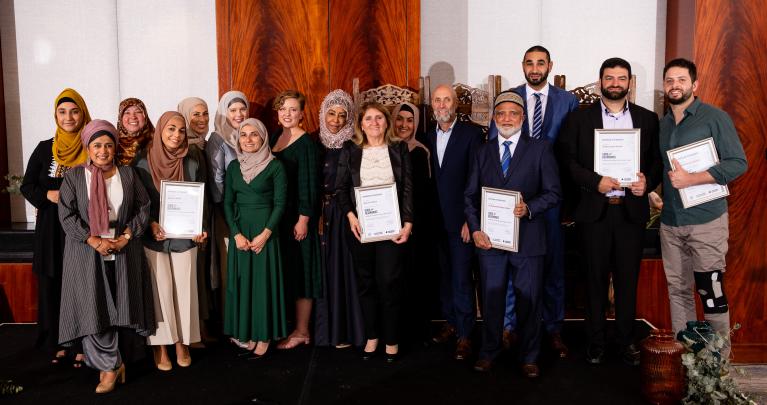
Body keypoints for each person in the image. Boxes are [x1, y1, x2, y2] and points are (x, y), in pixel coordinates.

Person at [557, 57, 662, 366]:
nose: (615, 83)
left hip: (630, 212)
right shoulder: (579, 118)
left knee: (628, 281)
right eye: (609, 78)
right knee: (594, 281)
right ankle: (596, 342)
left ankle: (627, 341)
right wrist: (595, 181)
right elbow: (567, 160)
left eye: (621, 78)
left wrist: (648, 182)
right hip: (595, 212)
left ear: (629, 83)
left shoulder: (648, 118)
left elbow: (656, 161)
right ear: (600, 81)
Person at [465, 91, 561, 376]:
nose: (507, 118)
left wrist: (529, 208)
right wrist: (475, 229)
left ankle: (529, 356)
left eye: (513, 113)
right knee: (492, 298)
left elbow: (554, 193)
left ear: (522, 118)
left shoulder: (540, 149)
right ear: (495, 119)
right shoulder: (482, 152)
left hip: (529, 239)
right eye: (501, 113)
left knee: (529, 300)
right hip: (490, 241)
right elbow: (469, 196)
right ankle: (489, 351)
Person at [57, 119, 156, 393]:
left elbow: (143, 208)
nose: (102, 151)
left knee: (122, 306)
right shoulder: (75, 176)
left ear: (115, 148)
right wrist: (93, 240)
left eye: (108, 145)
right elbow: (66, 215)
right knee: (93, 307)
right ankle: (108, 367)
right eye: (97, 145)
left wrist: (125, 237)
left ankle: (118, 362)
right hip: (87, 251)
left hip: (123, 249)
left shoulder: (128, 174)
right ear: (88, 148)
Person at [658, 58, 747, 359]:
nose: (674, 85)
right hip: (671, 223)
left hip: (706, 221)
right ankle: (688, 365)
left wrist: (692, 179)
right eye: (669, 80)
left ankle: (718, 369)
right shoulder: (664, 123)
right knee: (679, 293)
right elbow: (667, 173)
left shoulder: (714, 118)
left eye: (681, 80)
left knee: (711, 294)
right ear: (664, 85)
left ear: (694, 85)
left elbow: (738, 163)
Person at [495, 45, 579, 356]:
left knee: (553, 263)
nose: (534, 68)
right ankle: (509, 326)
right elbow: (495, 143)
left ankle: (553, 328)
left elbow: (572, 150)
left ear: (550, 65)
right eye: (529, 63)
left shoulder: (567, 101)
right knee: (513, 262)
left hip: (553, 196)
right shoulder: (509, 98)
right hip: (514, 195)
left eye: (540, 63)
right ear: (522, 66)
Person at [336, 101, 413, 362]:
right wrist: (350, 216)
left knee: (389, 283)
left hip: (392, 229)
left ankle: (391, 339)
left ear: (386, 122)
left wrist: (408, 223)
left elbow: (408, 189)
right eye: (368, 118)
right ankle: (372, 336)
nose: (374, 123)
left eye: (379, 118)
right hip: (361, 228)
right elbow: (341, 188)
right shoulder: (350, 149)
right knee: (366, 283)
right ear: (360, 124)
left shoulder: (399, 148)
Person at [133, 111, 208, 370]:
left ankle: (183, 343)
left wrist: (200, 228)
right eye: (170, 129)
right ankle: (161, 347)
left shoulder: (192, 159)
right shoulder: (142, 162)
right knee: (159, 291)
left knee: (185, 291)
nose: (176, 135)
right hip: (154, 237)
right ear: (160, 131)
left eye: (181, 130)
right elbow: (138, 202)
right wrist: (150, 224)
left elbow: (201, 199)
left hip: (185, 238)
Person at [20, 88, 89, 367]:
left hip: (82, 228)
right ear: (56, 115)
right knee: (53, 282)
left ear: (82, 112)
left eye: (74, 111)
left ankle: (85, 341)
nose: (68, 117)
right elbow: (27, 185)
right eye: (63, 112)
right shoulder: (44, 147)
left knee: (82, 284)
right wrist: (46, 196)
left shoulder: (92, 144)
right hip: (50, 228)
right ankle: (57, 341)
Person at [223, 118, 288, 359]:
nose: (248, 139)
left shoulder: (275, 167)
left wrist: (265, 234)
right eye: (243, 135)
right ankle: (248, 333)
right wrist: (236, 233)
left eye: (254, 135)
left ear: (263, 138)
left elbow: (281, 204)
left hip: (265, 232)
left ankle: (264, 336)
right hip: (241, 233)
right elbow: (228, 203)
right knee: (244, 283)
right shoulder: (233, 168)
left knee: (263, 284)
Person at [427, 84, 483, 360]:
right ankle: (450, 322)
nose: (441, 105)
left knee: (462, 279)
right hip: (435, 223)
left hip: (460, 222)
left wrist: (469, 221)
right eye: (436, 100)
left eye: (446, 100)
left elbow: (477, 179)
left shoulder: (471, 135)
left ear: (456, 104)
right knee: (444, 277)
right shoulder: (426, 136)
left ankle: (465, 334)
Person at [269, 90, 322, 350]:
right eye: (283, 109)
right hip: (279, 217)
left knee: (303, 273)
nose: (287, 114)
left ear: (302, 114)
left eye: (292, 109)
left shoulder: (306, 144)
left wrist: (303, 219)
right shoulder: (275, 138)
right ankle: (290, 327)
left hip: (298, 219)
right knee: (288, 272)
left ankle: (302, 331)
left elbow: (309, 186)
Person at [313, 89, 365, 348]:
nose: (335, 120)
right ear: (323, 114)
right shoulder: (314, 142)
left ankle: (344, 332)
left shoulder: (354, 145)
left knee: (343, 271)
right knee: (321, 270)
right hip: (317, 216)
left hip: (344, 213)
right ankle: (322, 332)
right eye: (331, 113)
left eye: (341, 115)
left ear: (349, 117)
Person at [392, 101, 438, 343]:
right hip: (387, 224)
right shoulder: (384, 149)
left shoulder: (421, 151)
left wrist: (411, 223)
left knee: (414, 274)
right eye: (399, 119)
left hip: (415, 224)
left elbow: (424, 193)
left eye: (410, 120)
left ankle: (416, 329)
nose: (404, 125)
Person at [205, 91, 249, 341]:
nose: (238, 115)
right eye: (232, 110)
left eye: (242, 109)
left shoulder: (250, 134)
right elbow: (217, 181)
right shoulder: (218, 138)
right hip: (227, 216)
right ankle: (232, 324)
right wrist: (231, 218)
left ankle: (247, 319)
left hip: (248, 213)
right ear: (223, 112)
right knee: (229, 268)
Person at [178, 97, 215, 346]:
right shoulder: (188, 148)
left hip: (204, 214)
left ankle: (199, 328)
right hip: (194, 218)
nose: (201, 119)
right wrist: (197, 224)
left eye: (205, 113)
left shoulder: (202, 144)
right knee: (194, 274)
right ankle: (194, 332)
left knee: (200, 273)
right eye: (195, 115)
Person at [115, 98, 154, 166]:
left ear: (145, 116)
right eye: (127, 112)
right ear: (120, 117)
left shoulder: (156, 142)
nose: (133, 117)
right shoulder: (112, 143)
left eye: (138, 112)